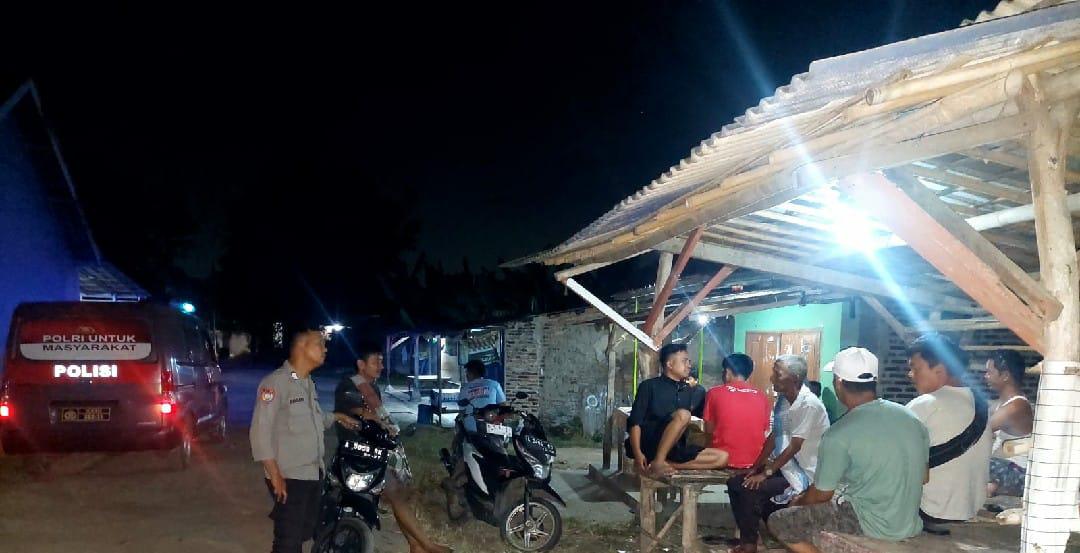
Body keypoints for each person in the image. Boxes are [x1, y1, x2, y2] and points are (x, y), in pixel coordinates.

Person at [769, 348, 929, 553]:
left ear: (839, 382)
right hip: (908, 522)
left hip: (870, 523)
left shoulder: (839, 433)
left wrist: (798, 501)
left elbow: (821, 495)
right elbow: (924, 476)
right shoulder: (912, 419)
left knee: (780, 521)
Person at [335, 344, 452, 553]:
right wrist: (374, 418)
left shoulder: (373, 388)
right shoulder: (349, 385)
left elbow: (377, 417)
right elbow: (355, 410)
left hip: (374, 451)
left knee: (400, 494)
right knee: (397, 495)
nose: (381, 366)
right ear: (361, 364)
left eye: (381, 361)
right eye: (376, 362)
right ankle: (425, 545)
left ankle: (416, 544)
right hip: (357, 453)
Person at [250, 329, 357, 553]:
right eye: (319, 344)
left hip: (312, 472)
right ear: (301, 347)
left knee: (302, 533)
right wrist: (275, 475)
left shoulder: (306, 382)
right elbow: (260, 431)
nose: (325, 349)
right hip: (289, 476)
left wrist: (337, 417)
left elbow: (313, 418)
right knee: (288, 540)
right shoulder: (275, 383)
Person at [729, 355, 829, 552]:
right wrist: (756, 467)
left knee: (751, 489)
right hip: (786, 468)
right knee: (736, 482)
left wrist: (766, 473)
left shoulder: (808, 404)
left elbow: (795, 446)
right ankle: (754, 538)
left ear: (794, 378)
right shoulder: (784, 401)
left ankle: (751, 543)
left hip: (805, 474)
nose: (772, 378)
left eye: (778, 373)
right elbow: (775, 435)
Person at [906, 333, 992, 524]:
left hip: (930, 512)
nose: (910, 375)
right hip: (971, 510)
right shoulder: (981, 405)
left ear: (939, 370)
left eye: (915, 368)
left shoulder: (924, 405)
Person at [627, 343, 729, 477]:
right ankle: (659, 461)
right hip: (649, 445)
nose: (689, 365)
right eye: (684, 361)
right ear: (669, 364)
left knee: (723, 458)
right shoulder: (649, 386)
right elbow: (635, 423)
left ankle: (662, 463)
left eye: (689, 361)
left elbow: (706, 414)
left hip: (675, 448)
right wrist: (637, 453)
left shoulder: (690, 390)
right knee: (684, 414)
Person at [701, 354, 770, 553]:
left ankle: (749, 539)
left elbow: (708, 430)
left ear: (727, 372)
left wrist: (708, 449)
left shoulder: (714, 393)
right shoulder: (762, 396)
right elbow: (764, 429)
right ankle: (749, 536)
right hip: (755, 461)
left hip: (724, 460)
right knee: (742, 489)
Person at [984, 349, 1033, 498]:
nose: (985, 376)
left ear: (1005, 376)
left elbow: (979, 433)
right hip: (1005, 467)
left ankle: (990, 488)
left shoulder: (1016, 407)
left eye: (989, 372)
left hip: (1019, 473)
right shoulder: (1001, 404)